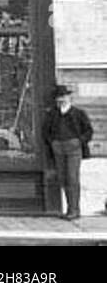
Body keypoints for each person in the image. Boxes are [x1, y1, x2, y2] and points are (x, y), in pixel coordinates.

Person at [43, 84, 94, 221]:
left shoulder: (78, 113)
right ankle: (69, 208)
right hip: (58, 147)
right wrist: (53, 143)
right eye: (59, 98)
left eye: (64, 97)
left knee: (72, 178)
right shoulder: (53, 114)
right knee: (63, 178)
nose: (61, 100)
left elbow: (88, 131)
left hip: (73, 148)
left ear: (69, 97)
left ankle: (74, 209)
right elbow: (46, 131)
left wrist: (79, 141)